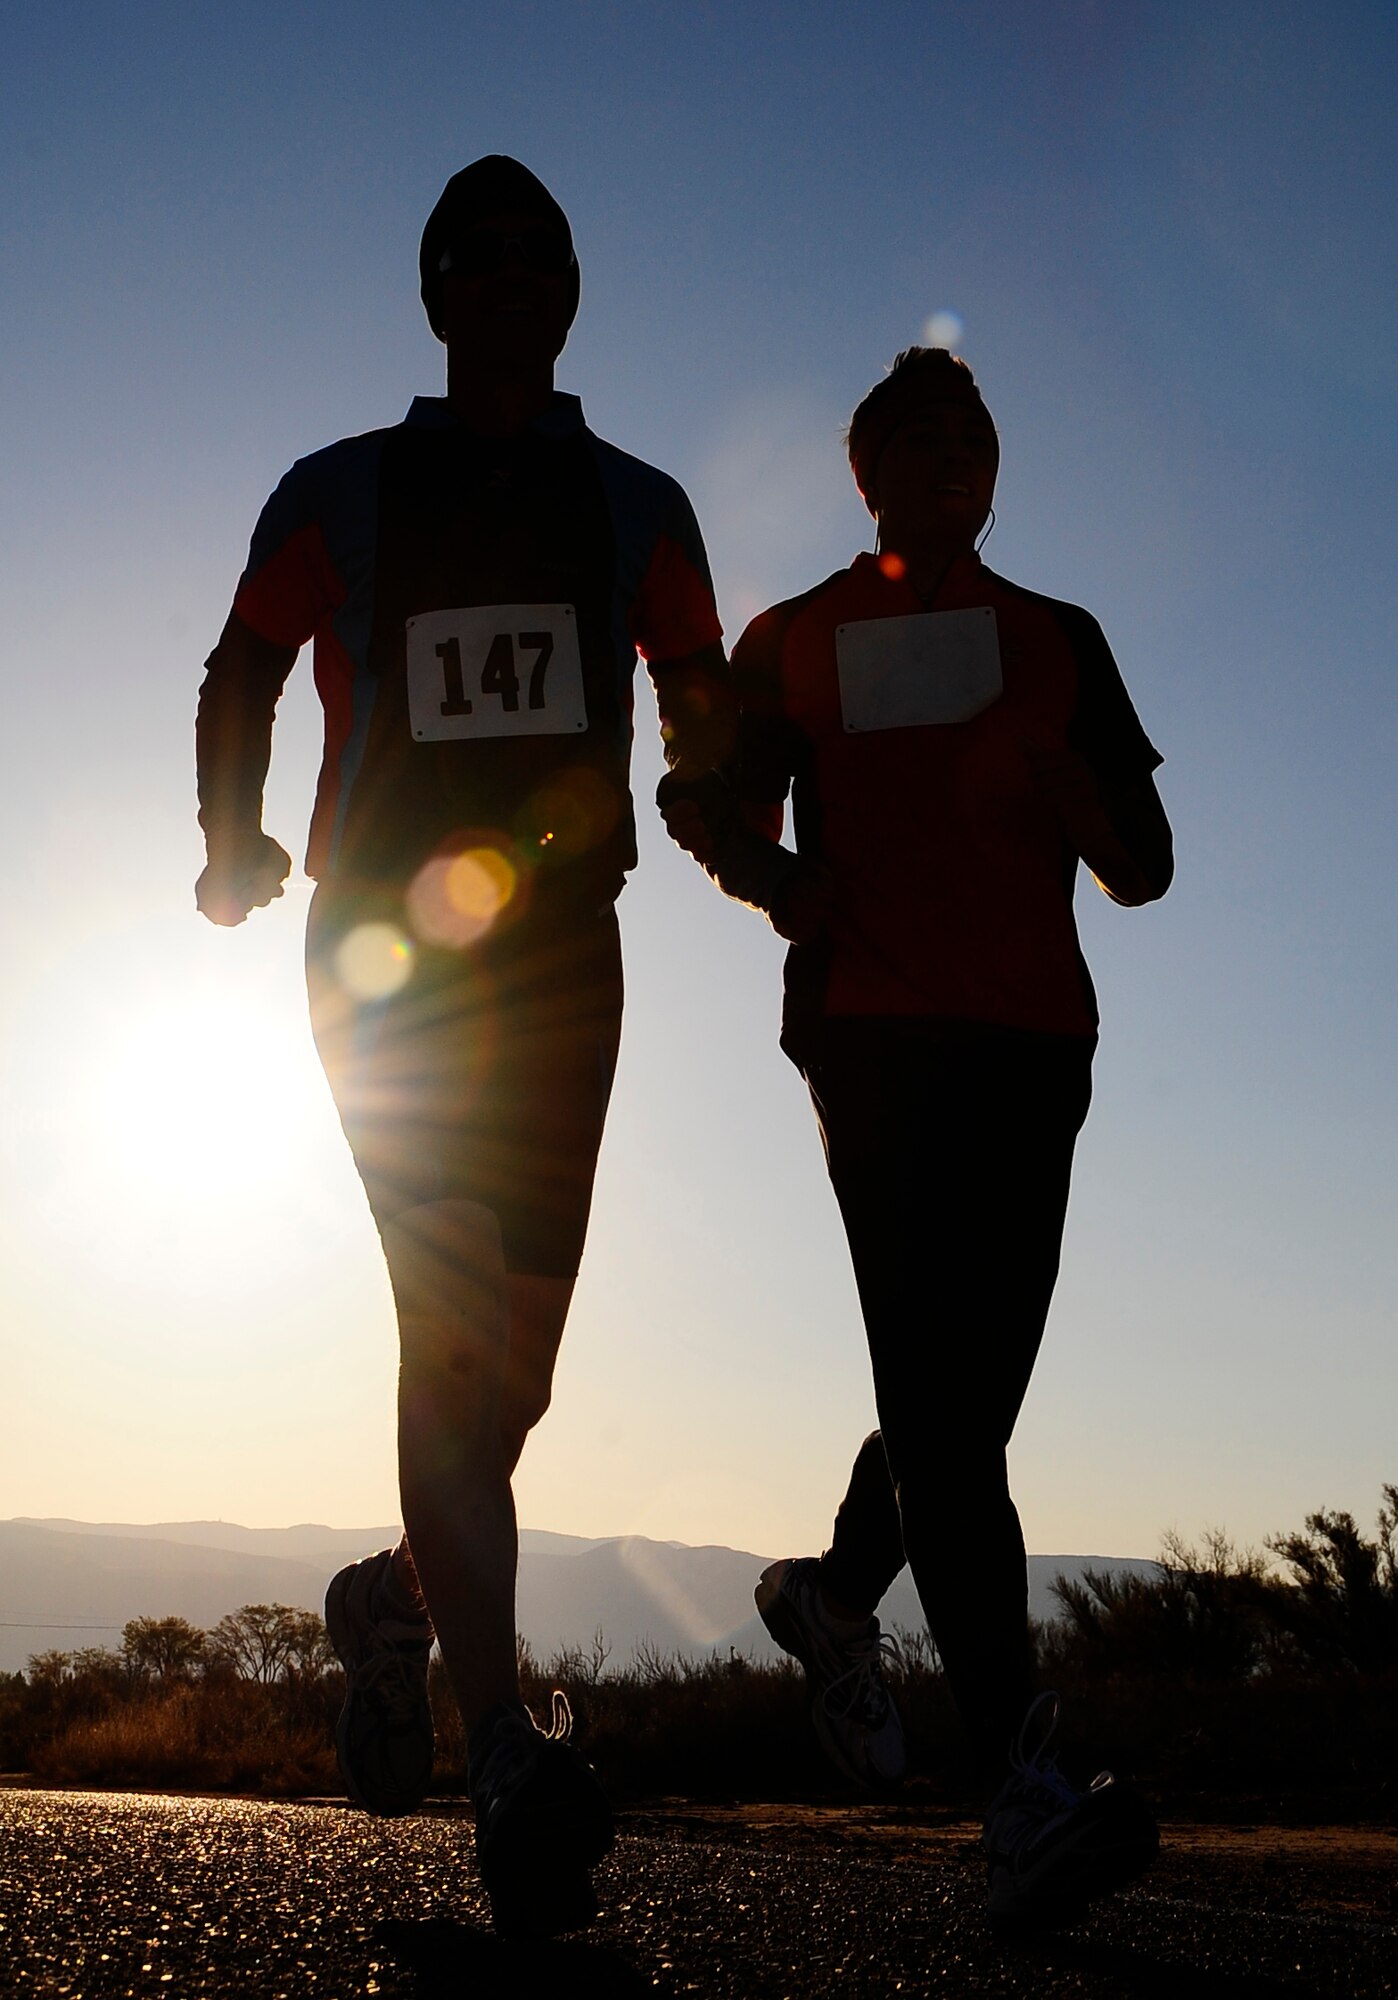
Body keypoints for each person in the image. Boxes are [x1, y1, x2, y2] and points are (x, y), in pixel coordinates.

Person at [195, 156, 728, 1937]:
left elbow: (700, 694)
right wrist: (230, 838)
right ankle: (502, 1746)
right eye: (477, 259)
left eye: (539, 257)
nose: (511, 279)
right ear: (433, 295)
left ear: (571, 292)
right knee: (446, 1323)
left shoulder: (641, 506)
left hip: (571, 962)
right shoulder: (336, 492)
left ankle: (392, 1600)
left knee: (514, 1377)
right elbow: (240, 662)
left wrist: (719, 795)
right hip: (379, 955)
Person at [660, 345, 1173, 1928]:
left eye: (972, 443)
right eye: (915, 443)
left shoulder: (1058, 637)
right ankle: (1015, 1794)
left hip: (1035, 1047)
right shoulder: (799, 637)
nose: (949, 462)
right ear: (865, 471)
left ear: (994, 475)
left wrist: (1080, 799)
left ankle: (830, 1596)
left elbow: (1143, 867)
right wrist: (782, 886)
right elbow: (700, 801)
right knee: (951, 1418)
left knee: (964, 1396)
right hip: (872, 1038)